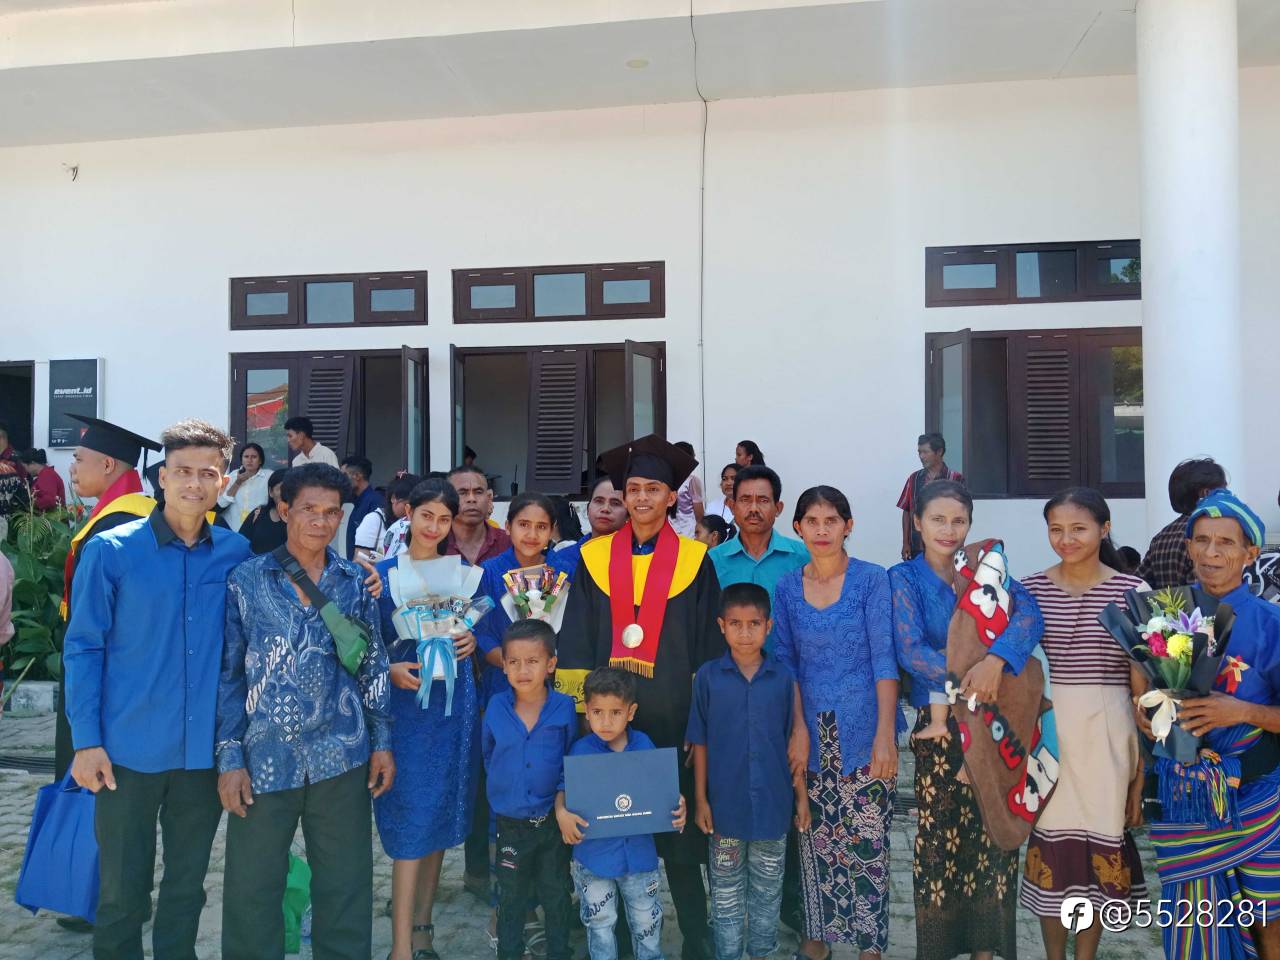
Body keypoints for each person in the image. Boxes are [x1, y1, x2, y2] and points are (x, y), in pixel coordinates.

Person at [63, 419, 252, 960]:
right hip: (126, 752)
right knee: (122, 893)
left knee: (186, 889)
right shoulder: (112, 551)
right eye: (183, 471)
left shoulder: (236, 554)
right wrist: (86, 742)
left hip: (201, 756)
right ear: (161, 477)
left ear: (222, 482)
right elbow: (83, 648)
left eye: (208, 473)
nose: (195, 483)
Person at [216, 462, 394, 960]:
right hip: (264, 758)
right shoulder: (246, 581)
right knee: (253, 887)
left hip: (341, 753)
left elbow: (374, 665)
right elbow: (229, 675)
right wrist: (229, 758)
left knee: (345, 885)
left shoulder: (354, 582)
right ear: (283, 509)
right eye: (309, 509)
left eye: (331, 512)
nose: (320, 521)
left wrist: (382, 742)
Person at [557, 434, 725, 960]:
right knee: (613, 824)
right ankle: (622, 939)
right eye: (634, 489)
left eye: (654, 489)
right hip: (608, 721)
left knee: (677, 831)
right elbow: (577, 641)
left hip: (675, 715)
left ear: (672, 497)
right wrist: (583, 720)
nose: (643, 498)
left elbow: (709, 651)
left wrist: (701, 727)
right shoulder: (594, 558)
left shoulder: (696, 561)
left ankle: (695, 934)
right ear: (623, 496)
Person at [890, 479, 1044, 960]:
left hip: (994, 722)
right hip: (939, 728)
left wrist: (996, 661)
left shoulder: (986, 571)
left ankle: (986, 951)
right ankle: (939, 948)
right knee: (939, 843)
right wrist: (967, 678)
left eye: (959, 521)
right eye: (937, 519)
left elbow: (1029, 617)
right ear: (918, 523)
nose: (949, 529)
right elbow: (910, 649)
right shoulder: (904, 578)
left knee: (992, 837)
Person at [1137, 489, 1280, 959]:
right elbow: (1147, 693)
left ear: (1250, 553)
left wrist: (1241, 712)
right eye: (1201, 540)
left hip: (1257, 794)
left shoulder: (1271, 624)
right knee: (1193, 912)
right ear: (1189, 546)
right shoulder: (1164, 615)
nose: (1211, 552)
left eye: (1225, 542)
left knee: (1268, 916)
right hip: (1185, 795)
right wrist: (1149, 714)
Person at [772, 485, 899, 960]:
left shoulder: (871, 580)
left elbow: (884, 658)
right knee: (813, 836)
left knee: (868, 840)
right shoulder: (787, 587)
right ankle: (817, 937)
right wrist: (798, 728)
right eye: (812, 521)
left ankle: (869, 946)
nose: (822, 530)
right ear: (798, 527)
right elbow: (786, 662)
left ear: (849, 526)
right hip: (810, 728)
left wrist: (886, 735)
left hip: (865, 727)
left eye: (831, 521)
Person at [1020, 488, 1147, 960]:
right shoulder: (1029, 591)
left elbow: (1142, 684)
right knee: (1053, 849)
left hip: (1109, 734)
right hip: (1048, 733)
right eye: (1056, 529)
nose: (1066, 539)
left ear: (1104, 528)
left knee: (1100, 845)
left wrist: (1141, 771)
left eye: (1078, 528)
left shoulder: (1133, 593)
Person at [374, 478, 481, 960]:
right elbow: (361, 645)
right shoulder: (379, 575)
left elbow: (480, 628)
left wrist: (473, 641)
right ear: (408, 515)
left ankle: (423, 929)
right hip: (405, 711)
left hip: (453, 707)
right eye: (426, 516)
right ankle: (400, 947)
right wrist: (387, 668)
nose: (434, 527)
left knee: (438, 815)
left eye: (444, 519)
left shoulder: (464, 575)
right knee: (412, 821)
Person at [687, 583, 810, 960]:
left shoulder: (783, 679)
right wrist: (701, 799)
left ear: (768, 627)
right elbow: (700, 742)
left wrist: (801, 799)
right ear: (721, 626)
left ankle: (762, 953)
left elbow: (793, 747)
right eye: (735, 624)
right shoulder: (708, 677)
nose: (744, 633)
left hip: (773, 810)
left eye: (754, 624)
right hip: (724, 812)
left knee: (767, 896)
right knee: (725, 898)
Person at [56, 415, 161, 782]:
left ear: (106, 465)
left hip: (105, 667)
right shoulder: (135, 515)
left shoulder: (117, 525)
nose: (72, 468)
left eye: (78, 459)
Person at [556, 667, 688, 960]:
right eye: (597, 712)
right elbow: (564, 789)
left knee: (646, 924)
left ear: (631, 712)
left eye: (615, 712)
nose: (606, 721)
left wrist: (678, 805)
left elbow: (662, 790)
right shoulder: (580, 752)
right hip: (594, 858)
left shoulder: (644, 746)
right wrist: (561, 812)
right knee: (600, 926)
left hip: (639, 858)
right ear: (587, 711)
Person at [484, 620, 577, 960]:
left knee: (556, 893)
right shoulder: (496, 707)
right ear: (504, 665)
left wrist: (561, 800)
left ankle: (559, 952)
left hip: (551, 823)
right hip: (510, 823)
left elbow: (569, 759)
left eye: (533, 661)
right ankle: (509, 952)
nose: (523, 670)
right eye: (514, 662)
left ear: (551, 664)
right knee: (511, 897)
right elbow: (489, 754)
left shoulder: (564, 707)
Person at [709, 465, 809, 647]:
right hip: (729, 663)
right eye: (745, 500)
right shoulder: (712, 561)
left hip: (789, 664)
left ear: (778, 508)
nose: (754, 508)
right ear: (732, 506)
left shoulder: (804, 558)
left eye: (763, 500)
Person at [1136, 457, 1227, 590]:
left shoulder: (1161, 537)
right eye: (1224, 489)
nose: (1229, 496)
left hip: (1167, 604)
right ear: (1206, 493)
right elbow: (1205, 594)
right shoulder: (1207, 535)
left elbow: (1139, 586)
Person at [897, 432, 964, 561]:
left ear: (939, 452)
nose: (921, 456)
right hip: (916, 548)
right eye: (919, 452)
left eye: (925, 452)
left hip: (946, 547)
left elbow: (962, 515)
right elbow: (906, 511)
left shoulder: (955, 479)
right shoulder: (914, 479)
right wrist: (905, 542)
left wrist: (959, 546)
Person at [553, 475, 629, 579]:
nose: (605, 509)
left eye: (615, 503)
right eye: (599, 501)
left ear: (628, 515)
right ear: (588, 509)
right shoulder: (562, 559)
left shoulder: (640, 559)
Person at [445, 465, 511, 565]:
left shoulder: (508, 543)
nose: (471, 499)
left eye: (478, 492)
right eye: (462, 493)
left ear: (489, 498)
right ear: (447, 499)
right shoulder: (434, 543)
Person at [217, 442, 269, 532]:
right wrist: (238, 482)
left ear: (260, 460)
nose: (249, 460)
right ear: (241, 460)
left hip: (259, 529)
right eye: (246, 457)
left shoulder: (268, 476)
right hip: (233, 529)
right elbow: (221, 504)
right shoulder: (232, 476)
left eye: (254, 457)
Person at [239, 469, 289, 555]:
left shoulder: (299, 518)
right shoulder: (258, 513)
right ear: (270, 492)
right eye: (281, 488)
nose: (285, 493)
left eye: (290, 489)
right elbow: (240, 542)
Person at [342, 455, 382, 560]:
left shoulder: (375, 502)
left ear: (357, 476)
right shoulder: (357, 502)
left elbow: (381, 545)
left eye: (344, 475)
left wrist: (371, 564)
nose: (341, 480)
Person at [375, 472, 422, 560]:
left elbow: (381, 556)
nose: (409, 509)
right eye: (406, 504)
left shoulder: (396, 526)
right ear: (393, 498)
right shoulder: (394, 526)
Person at [672, 441, 705, 537]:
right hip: (689, 531)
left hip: (670, 530)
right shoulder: (692, 480)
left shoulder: (666, 480)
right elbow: (699, 513)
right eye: (693, 457)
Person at [704, 464, 739, 530]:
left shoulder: (749, 506)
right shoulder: (712, 506)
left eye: (733, 479)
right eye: (724, 479)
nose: (728, 483)